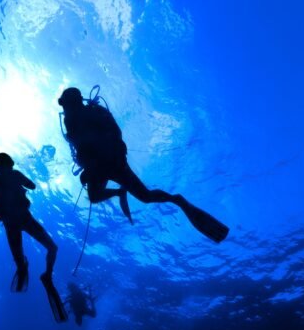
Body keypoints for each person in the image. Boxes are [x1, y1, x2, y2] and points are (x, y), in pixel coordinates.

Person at [58, 88, 229, 243]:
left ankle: (178, 200)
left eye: (66, 103)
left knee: (146, 197)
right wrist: (87, 166)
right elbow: (80, 150)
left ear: (77, 101)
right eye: (64, 105)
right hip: (98, 168)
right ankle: (120, 192)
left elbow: (114, 134)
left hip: (114, 162)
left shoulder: (95, 112)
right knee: (94, 197)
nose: (65, 109)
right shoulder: (69, 123)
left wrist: (94, 162)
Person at [0, 153, 58, 291]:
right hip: (22, 219)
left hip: (12, 223)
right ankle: (46, 275)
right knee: (50, 248)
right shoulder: (14, 175)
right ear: (9, 164)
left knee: (25, 261)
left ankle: (44, 275)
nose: (9, 169)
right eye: (9, 165)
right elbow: (32, 186)